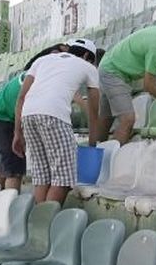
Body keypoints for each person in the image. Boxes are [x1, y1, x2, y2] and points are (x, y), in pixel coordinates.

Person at [13, 38, 100, 204]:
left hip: (28, 115)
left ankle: (37, 224)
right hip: (54, 115)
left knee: (42, 175)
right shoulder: (88, 67)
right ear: (87, 55)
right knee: (64, 178)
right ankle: (47, 222)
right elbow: (94, 112)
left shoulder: (42, 60)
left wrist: (17, 132)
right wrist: (92, 144)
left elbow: (21, 97)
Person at [0, 44, 68, 191]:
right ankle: (6, 209)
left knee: (2, 165)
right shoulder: (41, 79)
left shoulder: (33, 73)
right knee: (14, 169)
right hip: (3, 117)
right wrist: (20, 134)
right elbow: (24, 105)